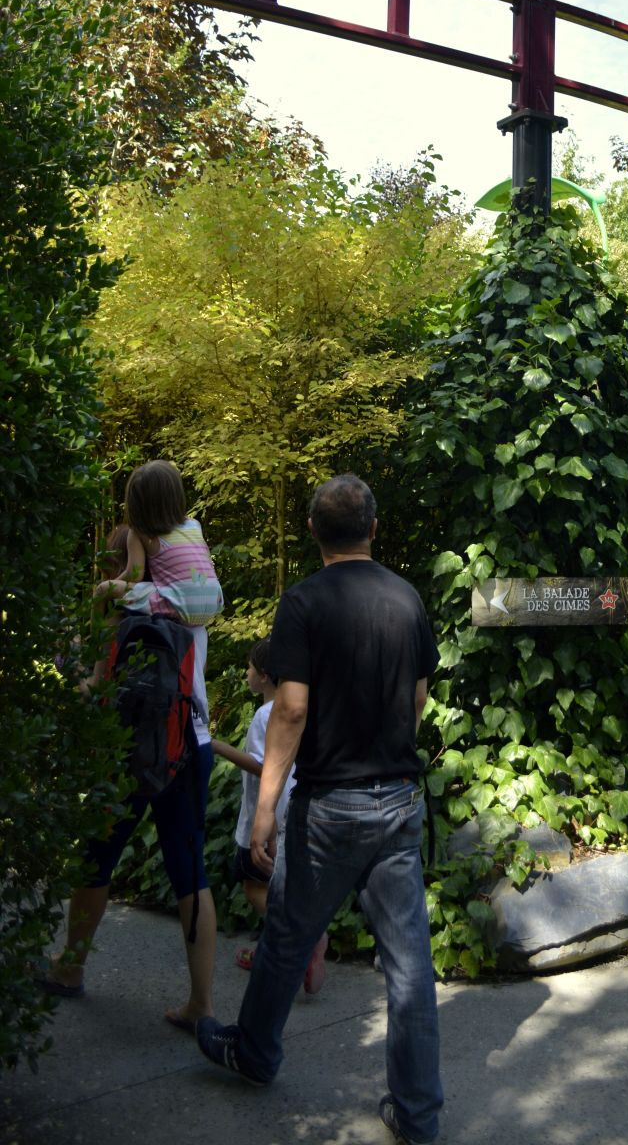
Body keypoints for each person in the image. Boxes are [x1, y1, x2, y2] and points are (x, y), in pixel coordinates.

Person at [196, 474, 443, 1145]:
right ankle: (419, 1116)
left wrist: (265, 809)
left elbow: (292, 709)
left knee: (286, 937)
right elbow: (418, 696)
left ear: (312, 531)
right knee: (410, 968)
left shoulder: (303, 602)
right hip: (398, 799)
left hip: (329, 804)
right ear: (374, 528)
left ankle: (254, 1053)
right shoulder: (407, 598)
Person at [41, 462, 222, 1036]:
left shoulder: (121, 603)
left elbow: (98, 687)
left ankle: (69, 968)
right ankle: (201, 1003)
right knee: (191, 872)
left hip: (126, 749)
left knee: (97, 857)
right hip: (188, 740)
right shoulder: (189, 592)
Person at [210, 640, 326, 992]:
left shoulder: (266, 715)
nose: (245, 673)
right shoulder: (301, 708)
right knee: (281, 883)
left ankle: (300, 939)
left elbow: (264, 766)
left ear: (263, 676)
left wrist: (217, 747)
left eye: (249, 667)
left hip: (267, 816)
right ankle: (283, 944)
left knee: (254, 886)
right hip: (294, 811)